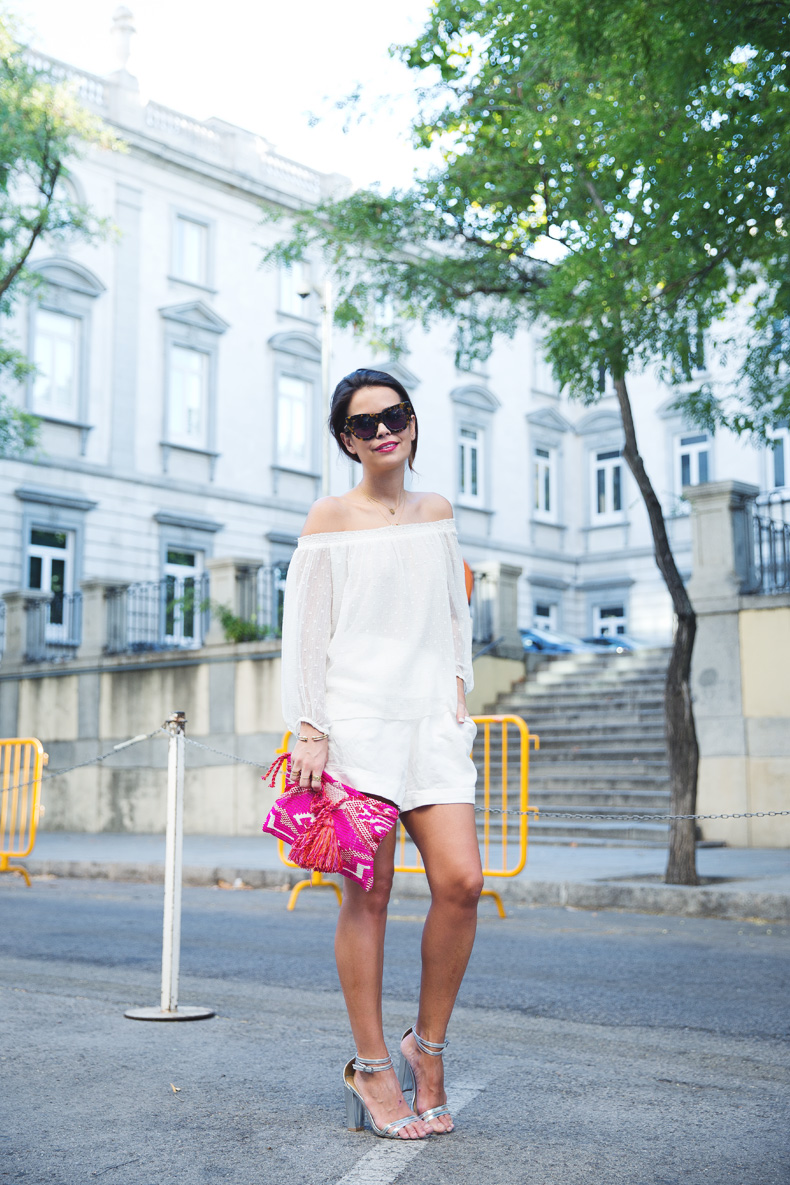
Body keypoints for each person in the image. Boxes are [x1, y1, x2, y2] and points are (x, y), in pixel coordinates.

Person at [280, 367, 483, 1141]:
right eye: (364, 424)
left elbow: (454, 607)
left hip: (430, 724)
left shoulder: (437, 510)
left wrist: (459, 686)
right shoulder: (329, 516)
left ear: (411, 420)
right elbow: (306, 627)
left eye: (394, 415)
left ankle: (424, 1048)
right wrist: (310, 724)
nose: (383, 430)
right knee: (368, 897)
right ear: (346, 440)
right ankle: (372, 1065)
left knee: (461, 882)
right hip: (357, 727)